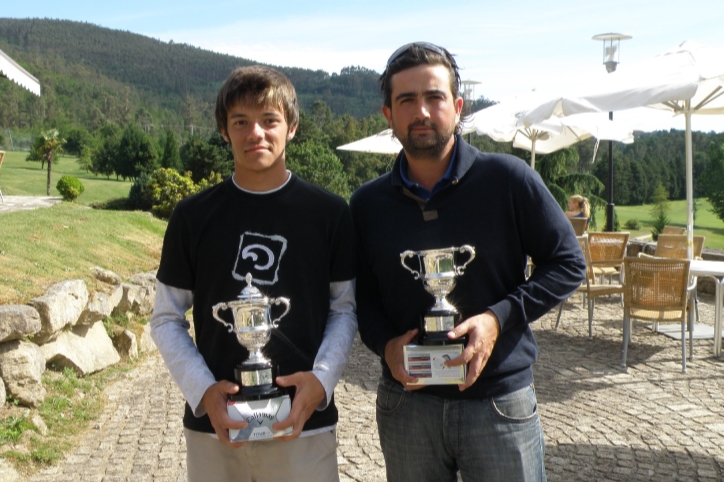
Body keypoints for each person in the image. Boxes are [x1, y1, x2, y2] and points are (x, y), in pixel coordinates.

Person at [350, 42, 586, 482]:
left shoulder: (510, 180)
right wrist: (386, 345)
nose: (421, 111)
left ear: (457, 107)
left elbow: (568, 263)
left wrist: (498, 319)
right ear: (388, 116)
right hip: (407, 403)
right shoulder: (366, 203)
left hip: (497, 400)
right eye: (406, 100)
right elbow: (360, 296)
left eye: (434, 97)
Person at [150, 65, 357, 482]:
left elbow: (344, 310)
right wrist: (204, 392)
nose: (255, 134)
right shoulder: (192, 217)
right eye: (240, 122)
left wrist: (320, 383)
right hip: (217, 431)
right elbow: (166, 317)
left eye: (269, 120)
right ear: (224, 131)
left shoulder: (330, 214)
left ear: (292, 127)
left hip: (304, 428)